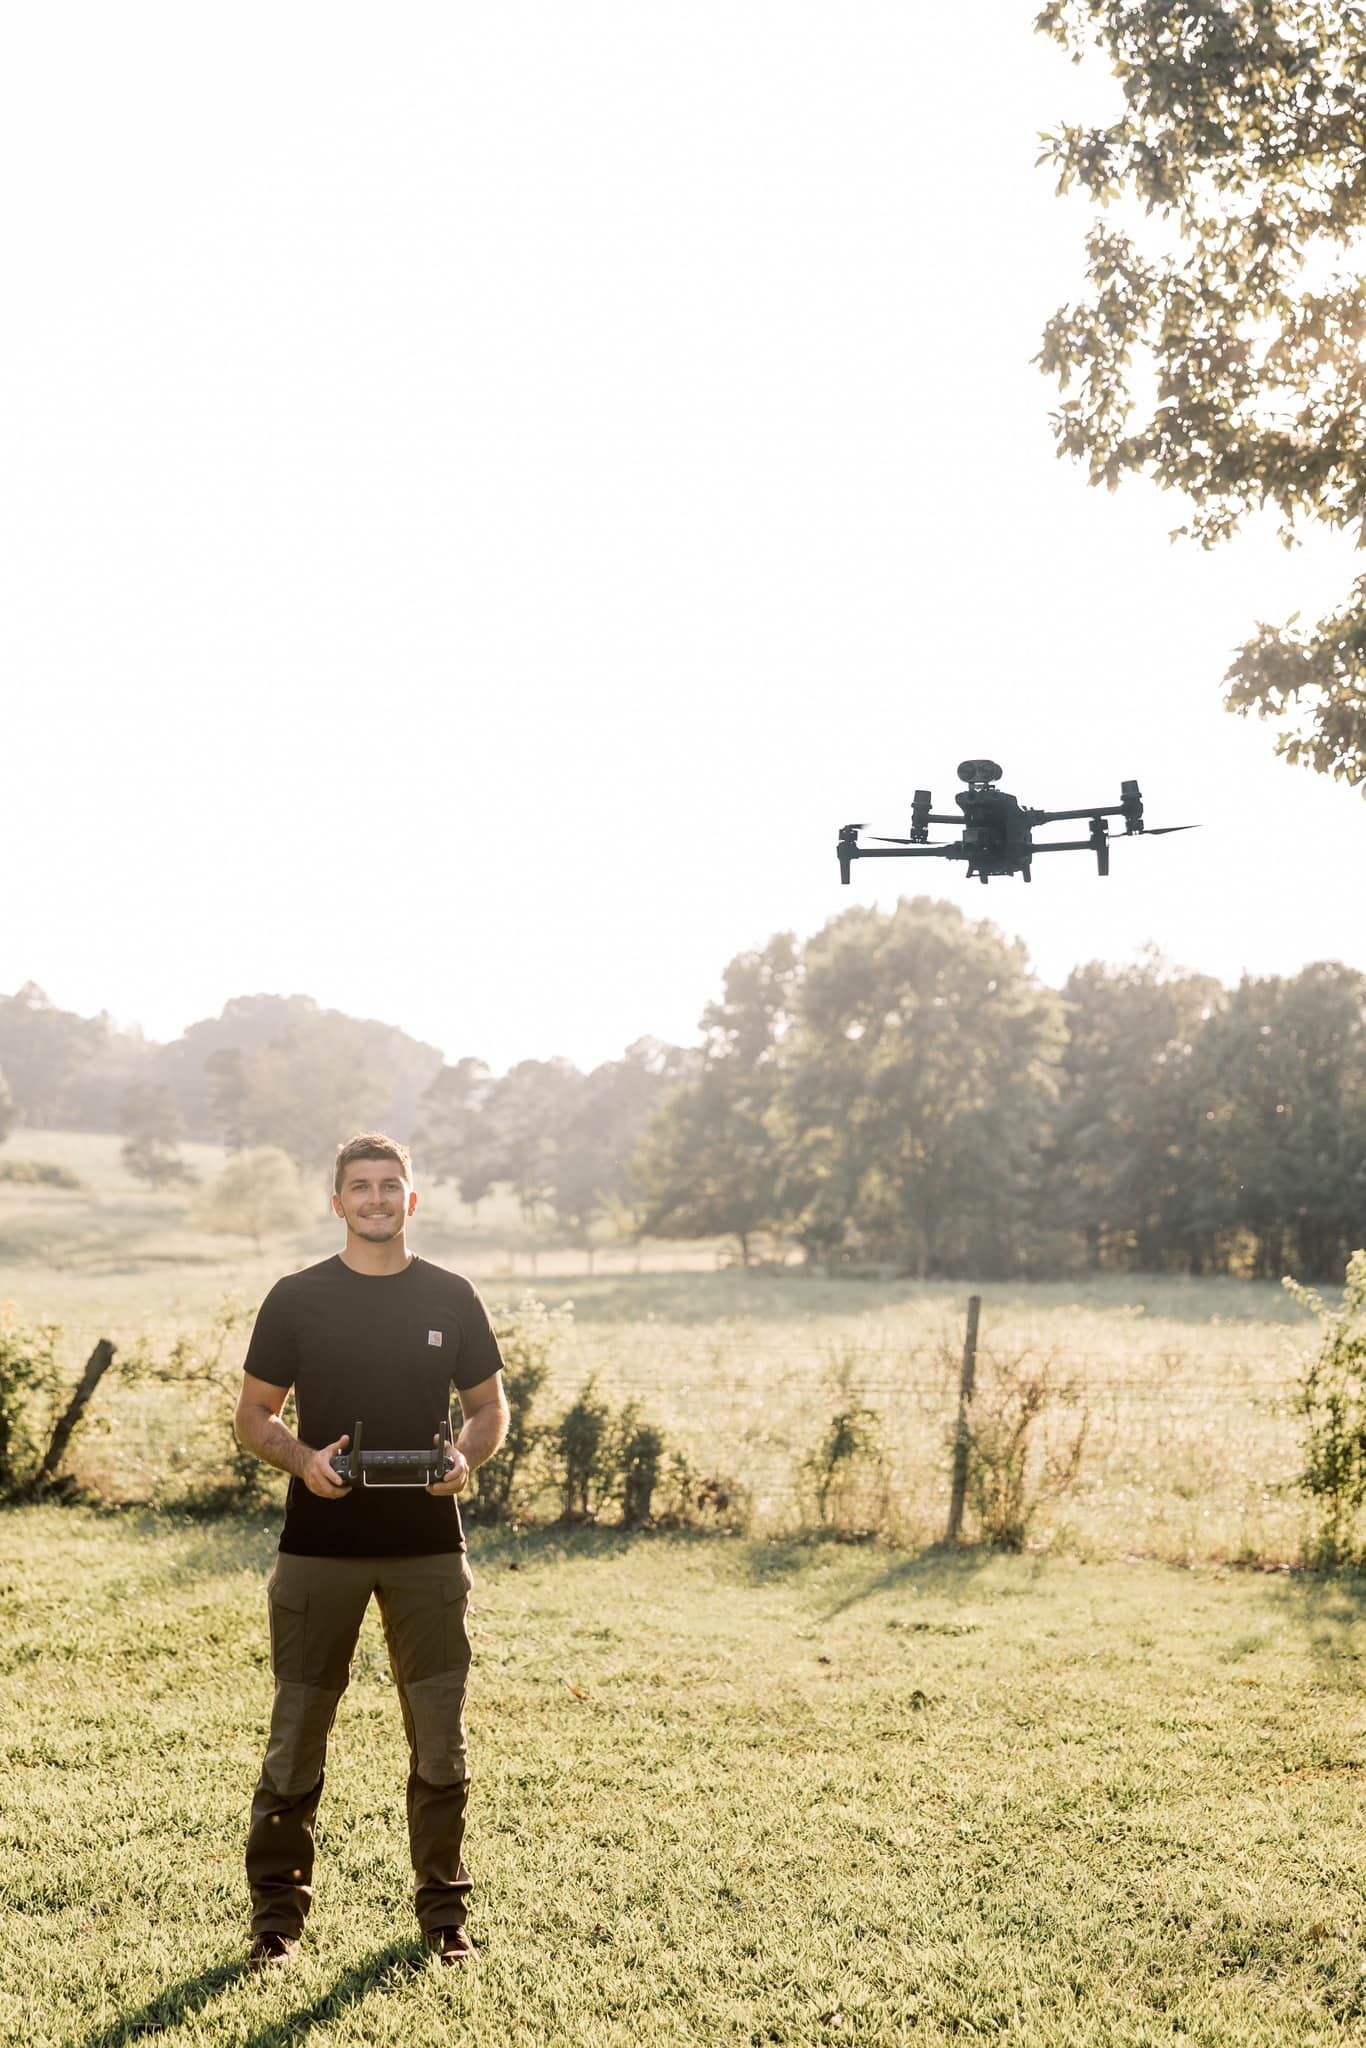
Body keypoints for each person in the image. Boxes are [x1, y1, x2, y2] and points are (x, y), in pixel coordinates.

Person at [234, 1132, 509, 1969]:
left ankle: (443, 1920)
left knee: (440, 1742)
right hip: (318, 1551)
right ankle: (276, 1925)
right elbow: (253, 1418)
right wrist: (304, 1460)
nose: (377, 1199)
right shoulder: (296, 1299)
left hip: (427, 1552)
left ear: (412, 1199)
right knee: (296, 1737)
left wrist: (467, 1458)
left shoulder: (452, 1297)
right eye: (361, 1186)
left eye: (392, 1186)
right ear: (338, 1201)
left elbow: (492, 1411)